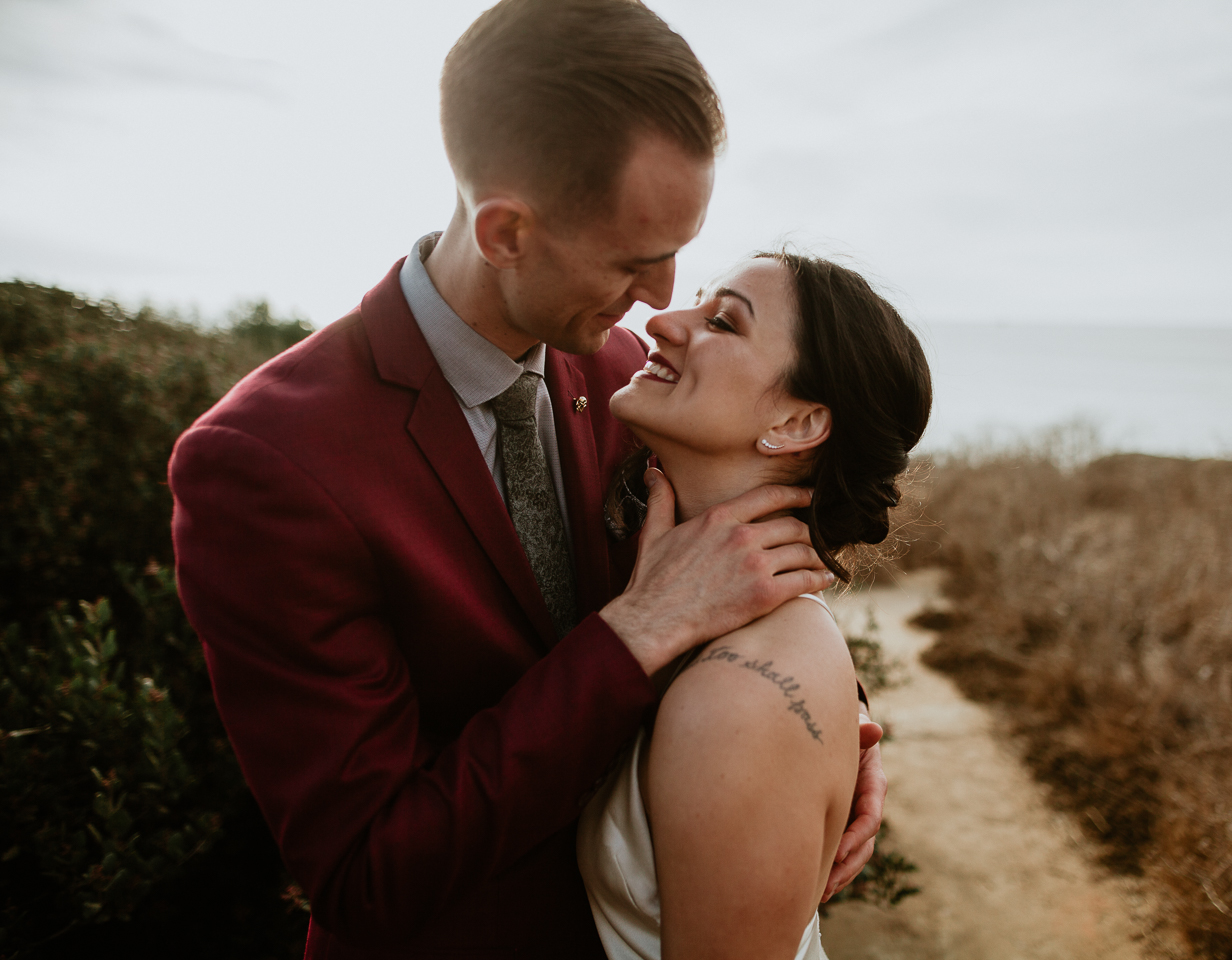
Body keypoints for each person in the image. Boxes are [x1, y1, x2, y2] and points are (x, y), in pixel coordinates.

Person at [167, 1, 887, 957]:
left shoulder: (631, 378)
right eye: (637, 259)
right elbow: (366, 878)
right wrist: (637, 633)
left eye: (683, 246)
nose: (666, 296)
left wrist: (832, 734)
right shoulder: (266, 465)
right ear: (506, 231)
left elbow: (747, 554)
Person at [576, 251, 931, 960]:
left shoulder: (739, 700)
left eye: (721, 321)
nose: (661, 320)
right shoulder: (738, 627)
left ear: (797, 424)